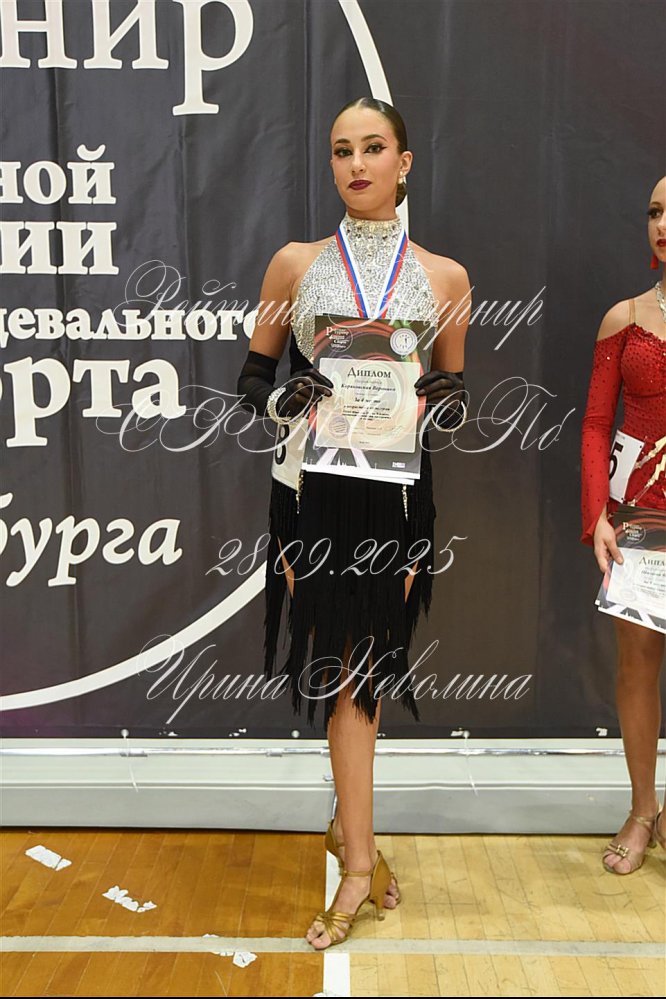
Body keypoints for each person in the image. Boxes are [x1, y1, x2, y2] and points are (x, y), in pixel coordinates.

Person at [236, 97, 470, 946]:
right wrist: (284, 397)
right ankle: (359, 855)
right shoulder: (295, 264)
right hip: (311, 492)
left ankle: (355, 845)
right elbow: (252, 380)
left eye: (373, 148)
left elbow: (450, 402)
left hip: (394, 498)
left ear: (403, 163)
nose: (356, 164)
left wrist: (446, 400)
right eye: (342, 150)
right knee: (342, 668)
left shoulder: (445, 278)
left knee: (361, 671)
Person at [580, 174, 666, 875]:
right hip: (639, 524)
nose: (663, 224)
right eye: (656, 211)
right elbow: (594, 424)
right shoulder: (624, 318)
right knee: (637, 664)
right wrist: (598, 517)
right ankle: (642, 809)